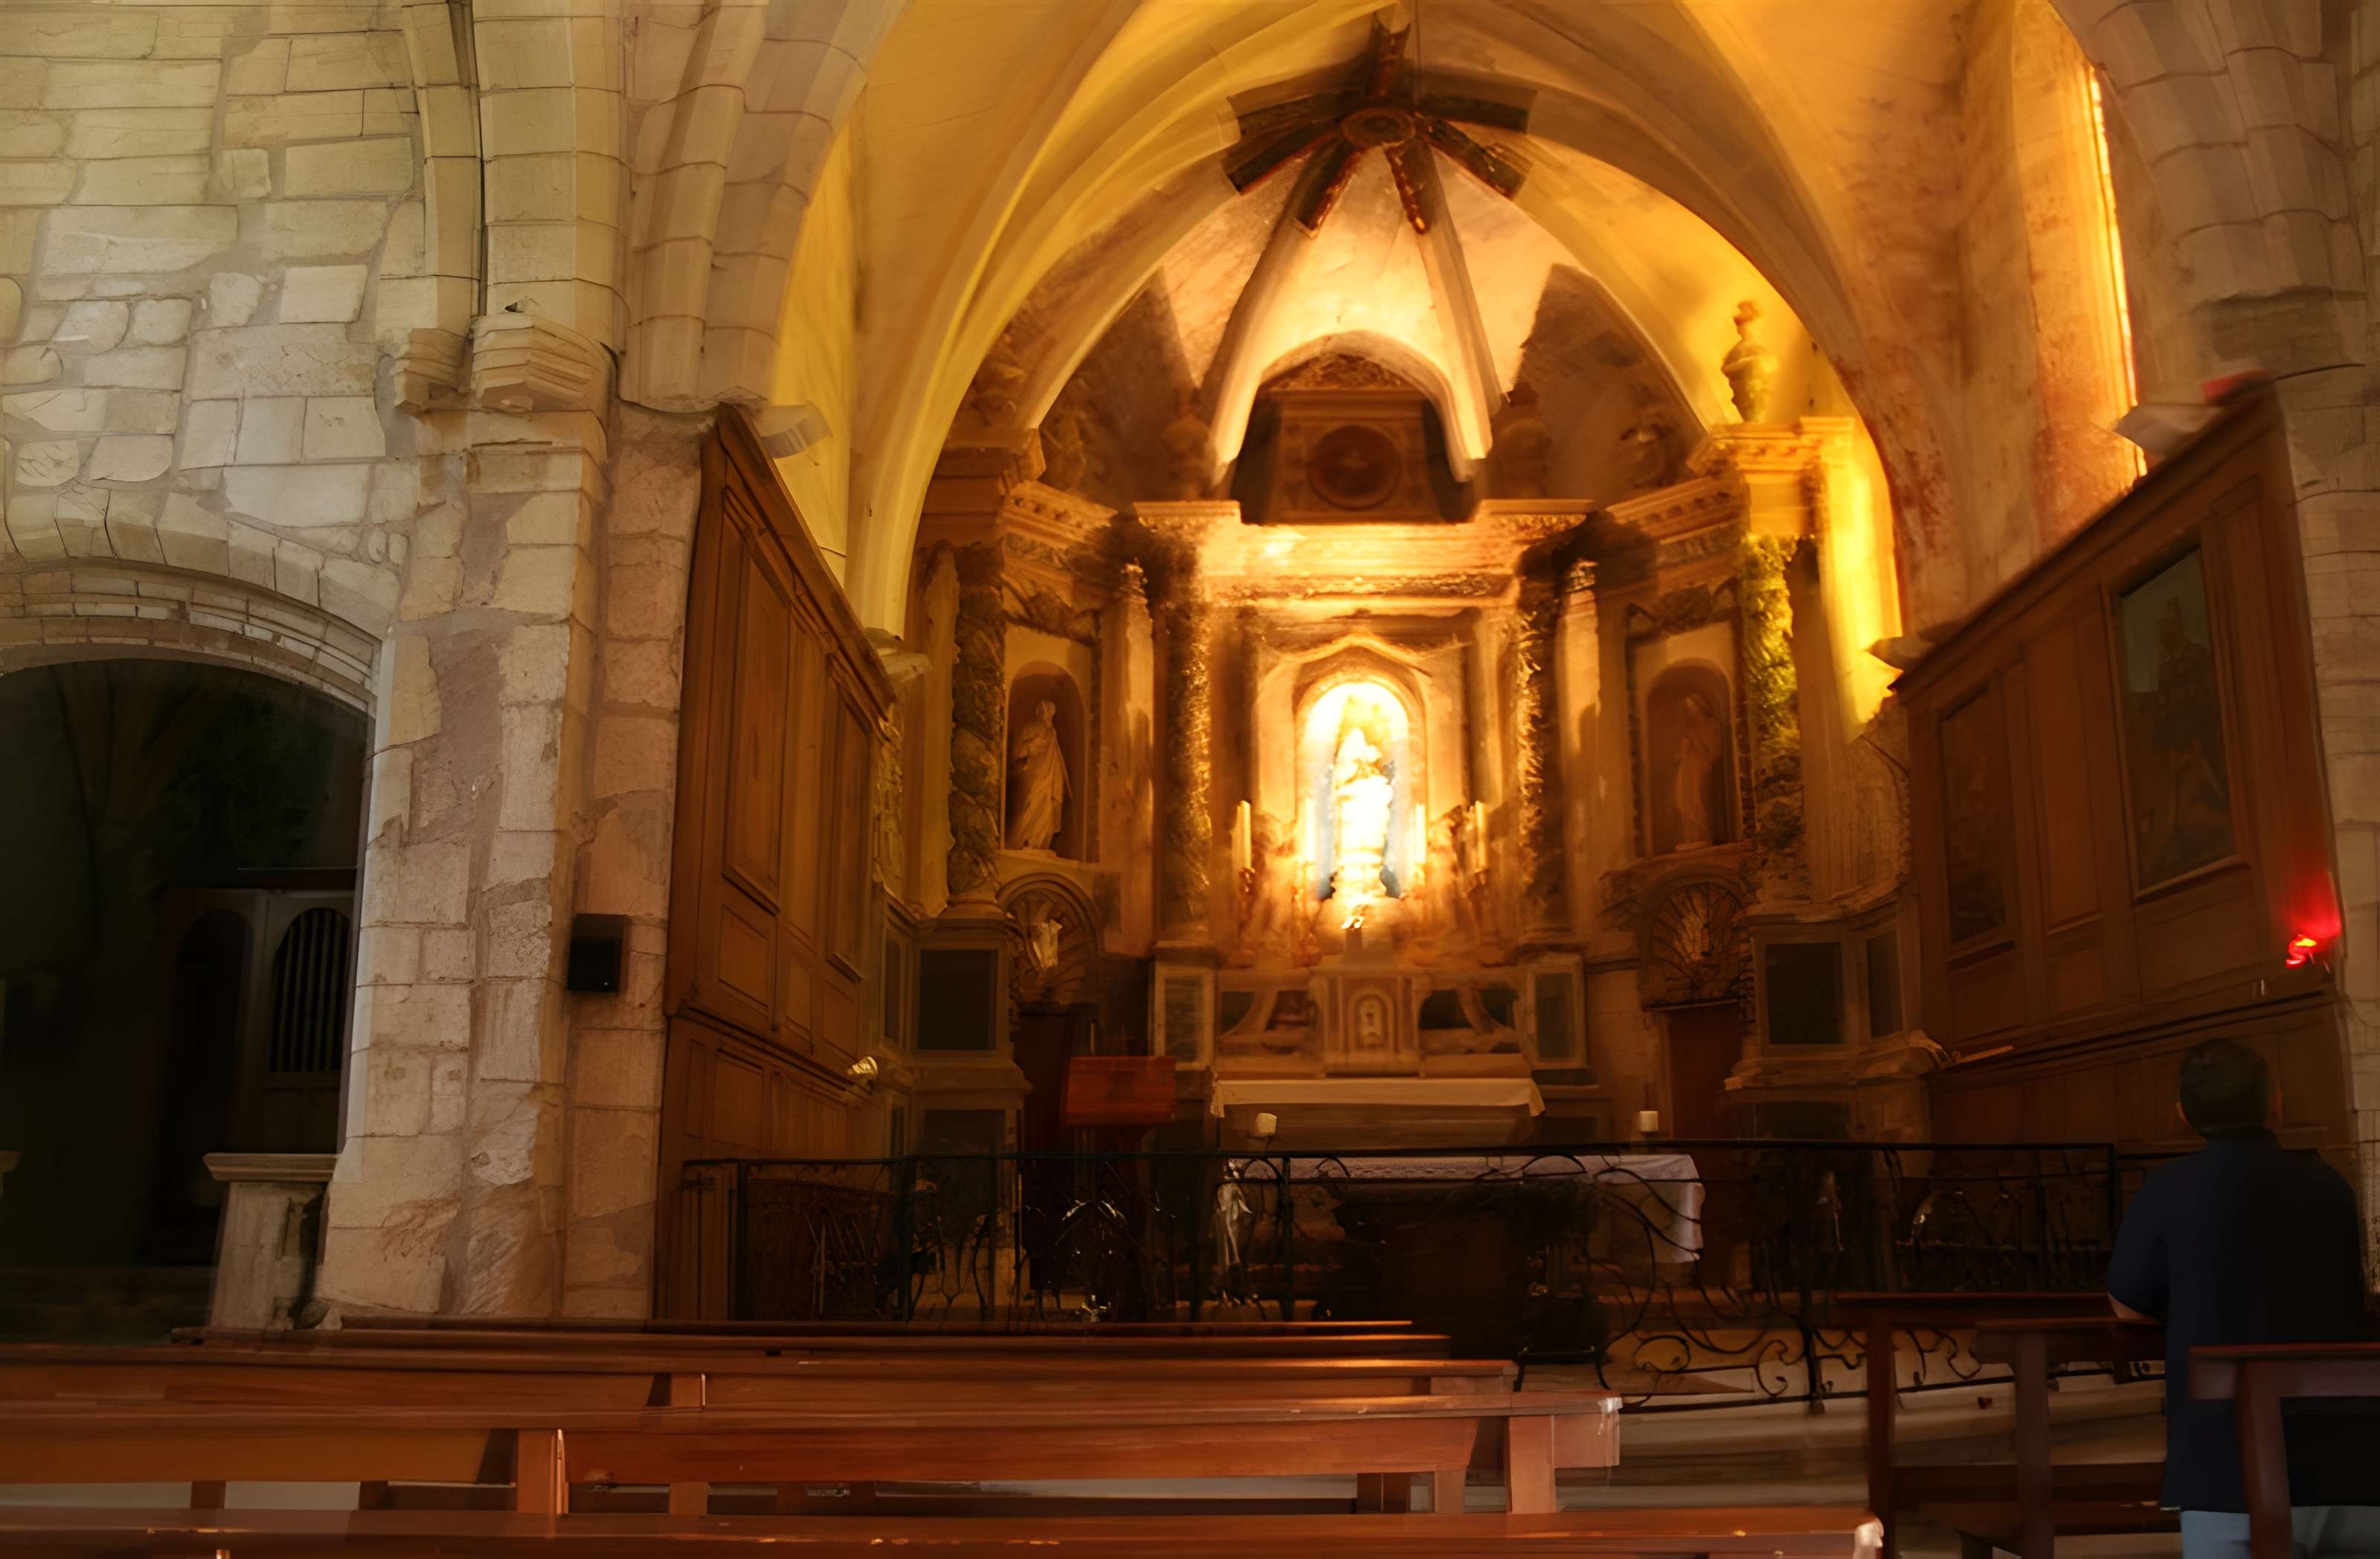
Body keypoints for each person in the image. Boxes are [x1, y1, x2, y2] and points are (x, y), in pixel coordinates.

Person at [2106, 1039, 2379, 1557]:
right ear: (2274, 1103)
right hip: (2350, 1459)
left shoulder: (2168, 1190)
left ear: (2183, 1115)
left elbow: (2129, 1305)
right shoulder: (2329, 1184)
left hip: (2224, 1468)